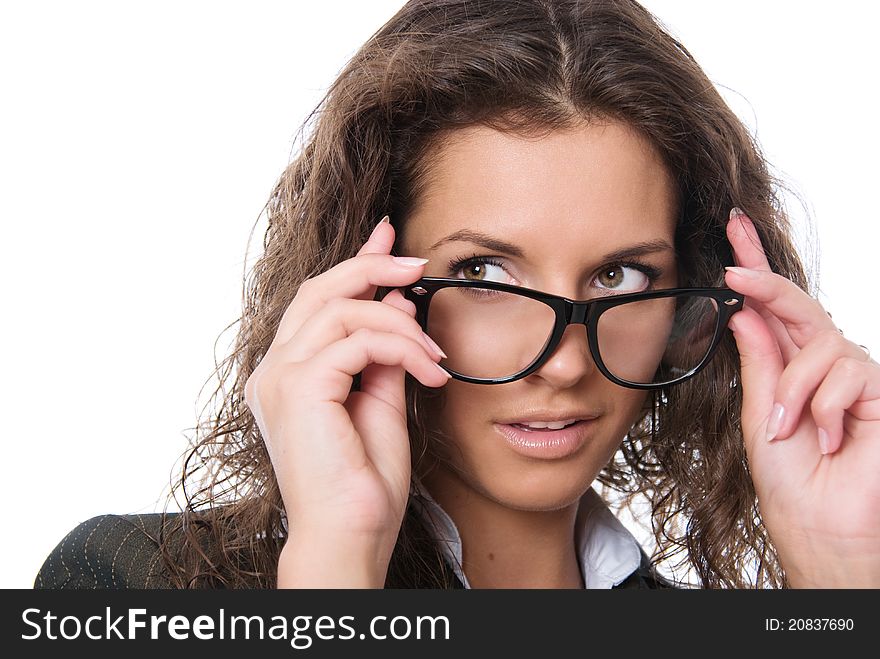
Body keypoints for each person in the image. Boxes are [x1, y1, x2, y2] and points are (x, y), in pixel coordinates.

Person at [34, 0, 880, 590]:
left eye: (620, 276)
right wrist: (336, 566)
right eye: (485, 275)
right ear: (370, 281)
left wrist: (844, 581)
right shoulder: (125, 582)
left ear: (692, 307)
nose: (564, 367)